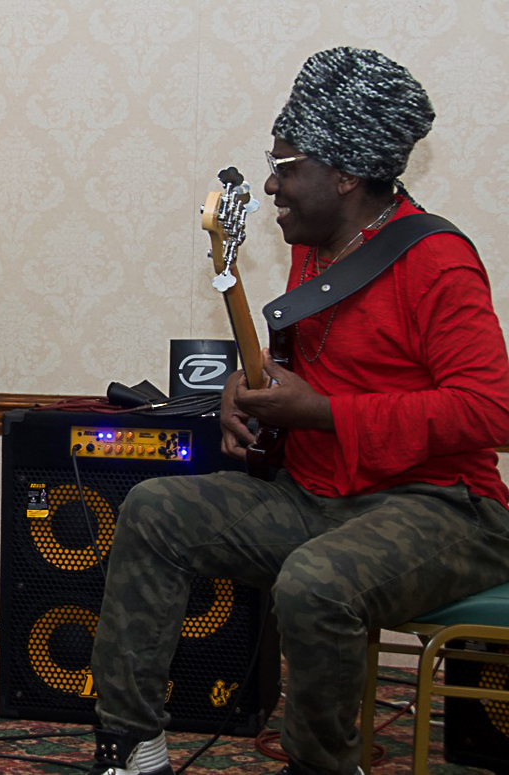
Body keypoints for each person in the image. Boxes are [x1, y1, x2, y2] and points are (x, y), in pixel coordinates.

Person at [85, 47, 509, 775]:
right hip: (318, 497)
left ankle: (322, 764)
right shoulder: (314, 248)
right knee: (155, 510)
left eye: (287, 166)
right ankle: (132, 747)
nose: (273, 184)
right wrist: (247, 393)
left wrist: (325, 411)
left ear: (343, 175)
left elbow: (489, 409)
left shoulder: (436, 260)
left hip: (442, 507)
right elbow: (306, 377)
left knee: (316, 582)